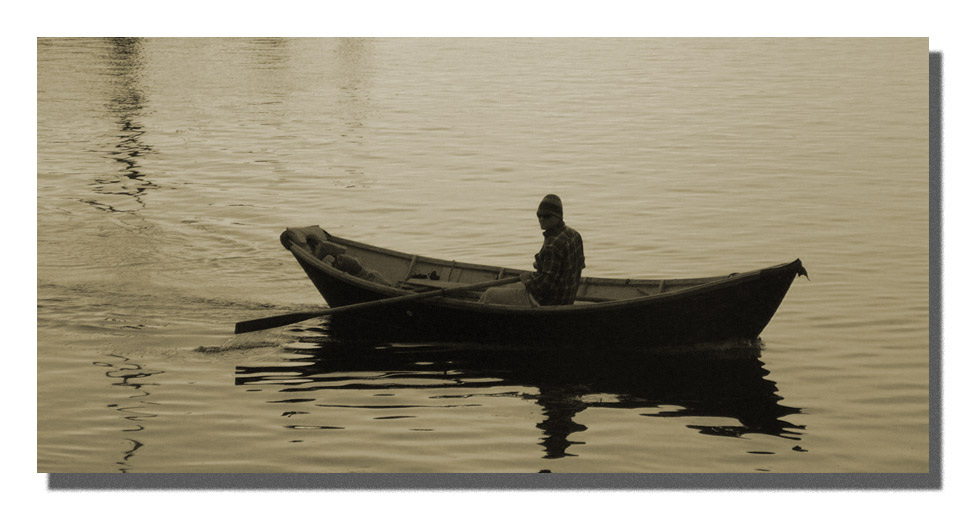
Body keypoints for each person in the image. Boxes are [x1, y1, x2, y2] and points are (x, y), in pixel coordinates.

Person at [480, 194, 585, 306]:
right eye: (539, 215)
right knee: (506, 287)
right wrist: (541, 265)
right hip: (566, 299)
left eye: (547, 216)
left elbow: (542, 287)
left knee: (490, 294)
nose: (541, 219)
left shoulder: (553, 245)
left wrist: (526, 280)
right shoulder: (574, 235)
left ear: (558, 216)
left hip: (546, 302)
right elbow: (576, 266)